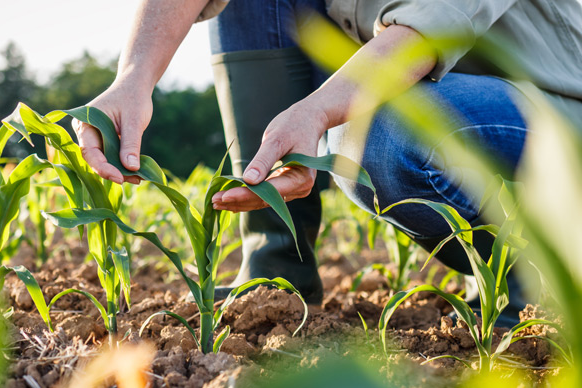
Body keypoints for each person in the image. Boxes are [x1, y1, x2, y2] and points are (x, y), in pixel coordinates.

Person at [73, 0, 582, 325]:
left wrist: (318, 113)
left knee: (376, 135)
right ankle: (276, 272)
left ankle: (540, 281)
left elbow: (432, 26)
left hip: (554, 107)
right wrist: (134, 78)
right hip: (436, 96)